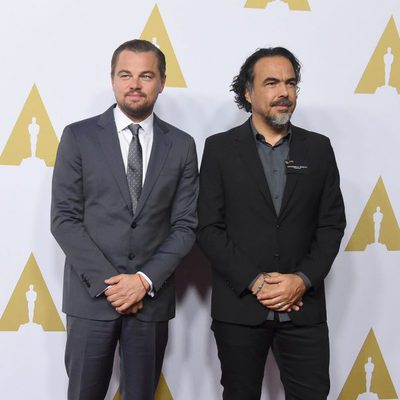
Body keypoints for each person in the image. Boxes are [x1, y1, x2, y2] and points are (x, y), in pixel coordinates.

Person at [51, 39, 198, 400]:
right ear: (113, 79)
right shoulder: (78, 137)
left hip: (150, 300)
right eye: (125, 75)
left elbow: (185, 225)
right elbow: (64, 219)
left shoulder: (181, 145)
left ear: (162, 82)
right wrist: (112, 285)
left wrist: (143, 281)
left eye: (146, 75)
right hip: (91, 300)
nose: (135, 84)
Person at [197, 47, 346, 400]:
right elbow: (208, 228)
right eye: (272, 83)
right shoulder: (219, 149)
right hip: (239, 309)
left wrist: (301, 280)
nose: (284, 92)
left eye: (291, 83)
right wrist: (256, 281)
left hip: (303, 307)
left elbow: (331, 225)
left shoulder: (319, 148)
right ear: (248, 93)